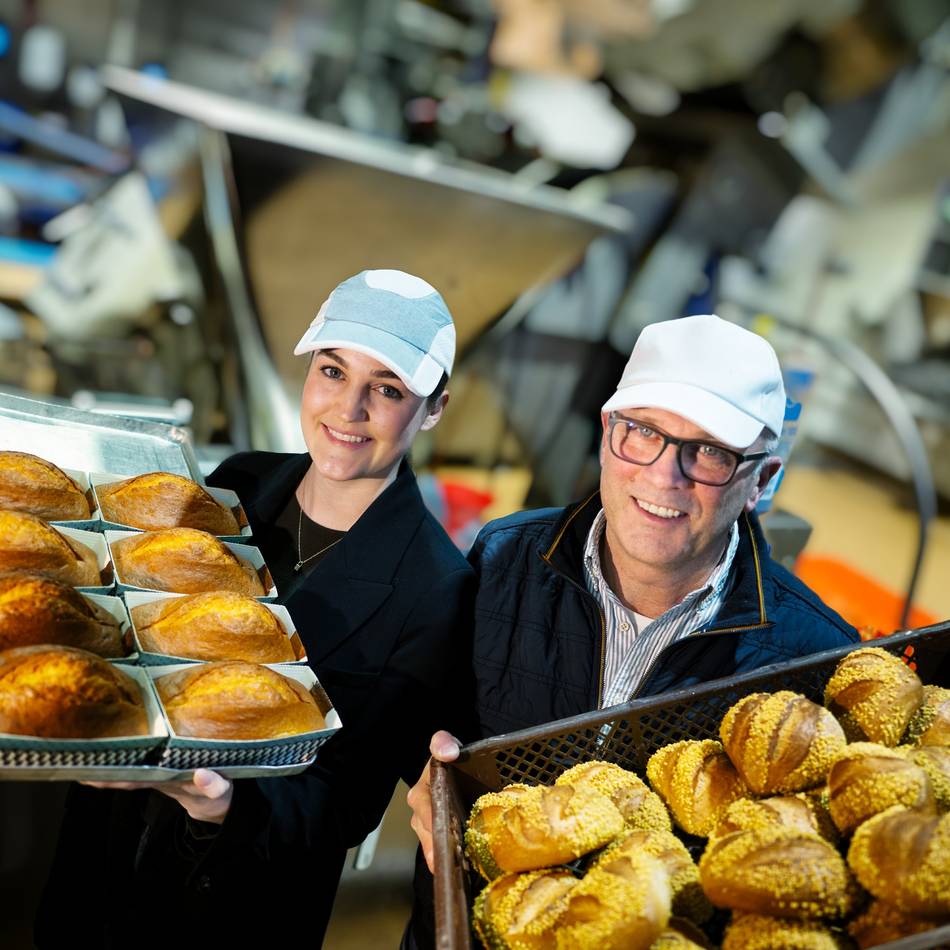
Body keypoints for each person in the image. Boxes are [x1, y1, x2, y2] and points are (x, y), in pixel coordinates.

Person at [37, 270, 475, 948]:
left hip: (239, 902)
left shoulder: (435, 587)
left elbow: (345, 807)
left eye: (386, 389)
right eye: (333, 371)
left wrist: (219, 802)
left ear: (436, 407)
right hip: (106, 854)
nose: (348, 408)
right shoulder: (239, 482)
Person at [402, 313, 860, 948]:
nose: (663, 476)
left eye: (709, 452)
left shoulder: (816, 653)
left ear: (761, 480)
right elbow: (433, 719)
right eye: (643, 431)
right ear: (606, 432)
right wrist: (424, 774)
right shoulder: (504, 557)